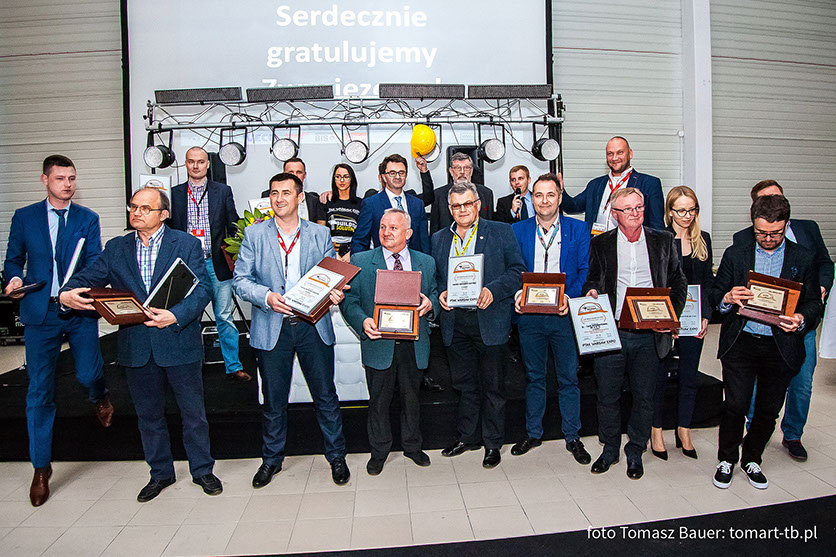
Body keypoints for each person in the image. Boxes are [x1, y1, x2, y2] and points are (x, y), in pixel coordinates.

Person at [60, 187, 221, 502]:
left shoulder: (186, 243)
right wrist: (66, 293)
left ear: (164, 214)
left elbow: (203, 288)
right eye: (133, 207)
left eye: (146, 208)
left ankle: (202, 470)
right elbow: (86, 278)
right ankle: (160, 473)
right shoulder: (117, 247)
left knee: (193, 414)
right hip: (136, 346)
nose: (137, 212)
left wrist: (176, 315)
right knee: (149, 417)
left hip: (178, 341)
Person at [3, 155, 113, 507]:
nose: (68, 184)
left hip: (78, 308)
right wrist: (13, 280)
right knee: (39, 389)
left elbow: (95, 262)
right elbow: (12, 260)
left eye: (72, 178)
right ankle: (41, 468)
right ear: (45, 180)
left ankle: (100, 395)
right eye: (61, 178)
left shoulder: (87, 218)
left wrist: (73, 291)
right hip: (40, 310)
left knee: (88, 373)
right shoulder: (24, 217)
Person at [234, 172, 351, 487]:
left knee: (325, 395)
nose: (279, 198)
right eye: (274, 193)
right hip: (273, 326)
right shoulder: (255, 235)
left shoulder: (319, 234)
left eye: (286, 192)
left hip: (313, 325)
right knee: (274, 400)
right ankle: (271, 460)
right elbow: (240, 281)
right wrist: (266, 297)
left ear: (300, 197)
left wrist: (335, 293)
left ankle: (336, 456)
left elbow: (331, 275)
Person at [710, 195, 821, 490]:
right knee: (735, 405)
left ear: (786, 225)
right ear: (753, 225)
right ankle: (726, 459)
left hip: (780, 345)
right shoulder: (736, 254)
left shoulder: (803, 258)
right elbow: (716, 293)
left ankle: (752, 458)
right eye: (761, 233)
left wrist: (801, 319)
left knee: (768, 410)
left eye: (775, 233)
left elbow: (814, 302)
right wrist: (727, 297)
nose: (768, 238)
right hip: (741, 342)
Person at [583, 187, 687, 480]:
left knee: (644, 397)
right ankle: (610, 449)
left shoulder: (663, 240)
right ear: (614, 214)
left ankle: (635, 450)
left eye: (639, 207)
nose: (635, 213)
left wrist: (671, 315)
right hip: (612, 332)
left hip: (649, 333)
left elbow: (679, 281)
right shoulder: (601, 243)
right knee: (607, 396)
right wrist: (590, 292)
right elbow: (593, 279)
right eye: (627, 209)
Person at [734, 180, 833, 462]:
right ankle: (754, 431)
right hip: (761, 324)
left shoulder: (808, 229)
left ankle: (793, 434)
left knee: (802, 383)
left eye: (777, 199)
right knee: (757, 383)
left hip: (799, 322)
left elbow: (825, 264)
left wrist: (821, 287)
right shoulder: (742, 239)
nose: (773, 205)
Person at [431, 182, 525, 468]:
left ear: (478, 205)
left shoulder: (501, 231)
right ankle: (467, 437)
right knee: (464, 385)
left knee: (493, 386)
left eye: (467, 204)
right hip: (455, 321)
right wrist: (441, 294)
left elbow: (518, 271)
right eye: (456, 206)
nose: (462, 210)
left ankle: (492, 443)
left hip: (490, 318)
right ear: (449, 209)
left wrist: (493, 290)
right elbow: (436, 278)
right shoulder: (439, 239)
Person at [341, 209, 439, 475]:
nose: (386, 232)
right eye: (383, 227)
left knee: (412, 399)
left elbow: (434, 294)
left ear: (408, 233)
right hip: (378, 342)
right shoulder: (361, 261)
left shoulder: (426, 262)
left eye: (393, 228)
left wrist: (431, 304)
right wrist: (362, 321)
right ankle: (379, 452)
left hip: (414, 344)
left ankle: (413, 446)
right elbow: (349, 301)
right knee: (378, 401)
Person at [510, 173, 591, 464]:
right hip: (530, 316)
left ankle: (573, 436)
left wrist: (569, 296)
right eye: (539, 195)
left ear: (559, 198)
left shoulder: (578, 229)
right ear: (532, 199)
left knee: (568, 378)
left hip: (563, 315)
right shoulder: (517, 230)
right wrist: (517, 294)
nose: (544, 201)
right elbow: (512, 269)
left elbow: (584, 270)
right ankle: (533, 433)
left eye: (551, 195)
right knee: (534, 377)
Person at [170, 146, 248, 381]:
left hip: (216, 263)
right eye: (191, 161)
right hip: (187, 265)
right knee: (188, 316)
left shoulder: (222, 191)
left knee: (223, 316)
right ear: (185, 164)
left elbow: (233, 223)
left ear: (207, 164)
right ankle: (190, 365)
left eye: (200, 161)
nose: (196, 166)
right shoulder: (174, 193)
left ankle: (233, 366)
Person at [651, 186, 714, 461]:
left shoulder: (704, 239)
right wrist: (665, 319)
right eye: (681, 211)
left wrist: (706, 315)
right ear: (670, 211)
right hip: (666, 320)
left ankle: (684, 429)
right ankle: (656, 430)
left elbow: (708, 282)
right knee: (658, 378)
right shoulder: (659, 238)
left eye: (691, 210)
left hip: (693, 318)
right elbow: (655, 283)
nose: (687, 216)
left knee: (689, 377)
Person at [561, 137, 664, 233]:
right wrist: (560, 190)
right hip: (597, 242)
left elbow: (657, 227)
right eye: (610, 154)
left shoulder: (649, 183)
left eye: (620, 152)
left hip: (630, 244)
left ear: (630, 154)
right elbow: (572, 207)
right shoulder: (595, 185)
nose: (614, 158)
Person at [351, 154, 431, 255]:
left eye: (401, 173)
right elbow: (360, 241)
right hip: (382, 262)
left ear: (406, 175)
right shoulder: (371, 204)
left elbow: (424, 241)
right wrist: (360, 263)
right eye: (392, 173)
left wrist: (427, 262)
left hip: (412, 262)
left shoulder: (417, 204)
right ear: (384, 177)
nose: (397, 177)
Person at [417, 152, 495, 235]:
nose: (462, 172)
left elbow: (490, 225)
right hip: (448, 241)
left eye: (466, 168)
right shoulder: (439, 195)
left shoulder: (486, 193)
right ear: (451, 171)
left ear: (471, 171)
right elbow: (435, 228)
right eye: (458, 168)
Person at [260, 157, 327, 225]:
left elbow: (320, 227)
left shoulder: (314, 200)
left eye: (299, 172)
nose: (295, 175)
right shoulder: (267, 196)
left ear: (304, 175)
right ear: (284, 174)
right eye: (290, 172)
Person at [322, 164, 362, 261]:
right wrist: (332, 253)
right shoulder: (326, 201)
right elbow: (320, 232)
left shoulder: (361, 203)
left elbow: (362, 234)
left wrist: (352, 253)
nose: (342, 180)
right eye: (338, 177)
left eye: (346, 177)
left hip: (353, 252)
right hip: (330, 251)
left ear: (352, 179)